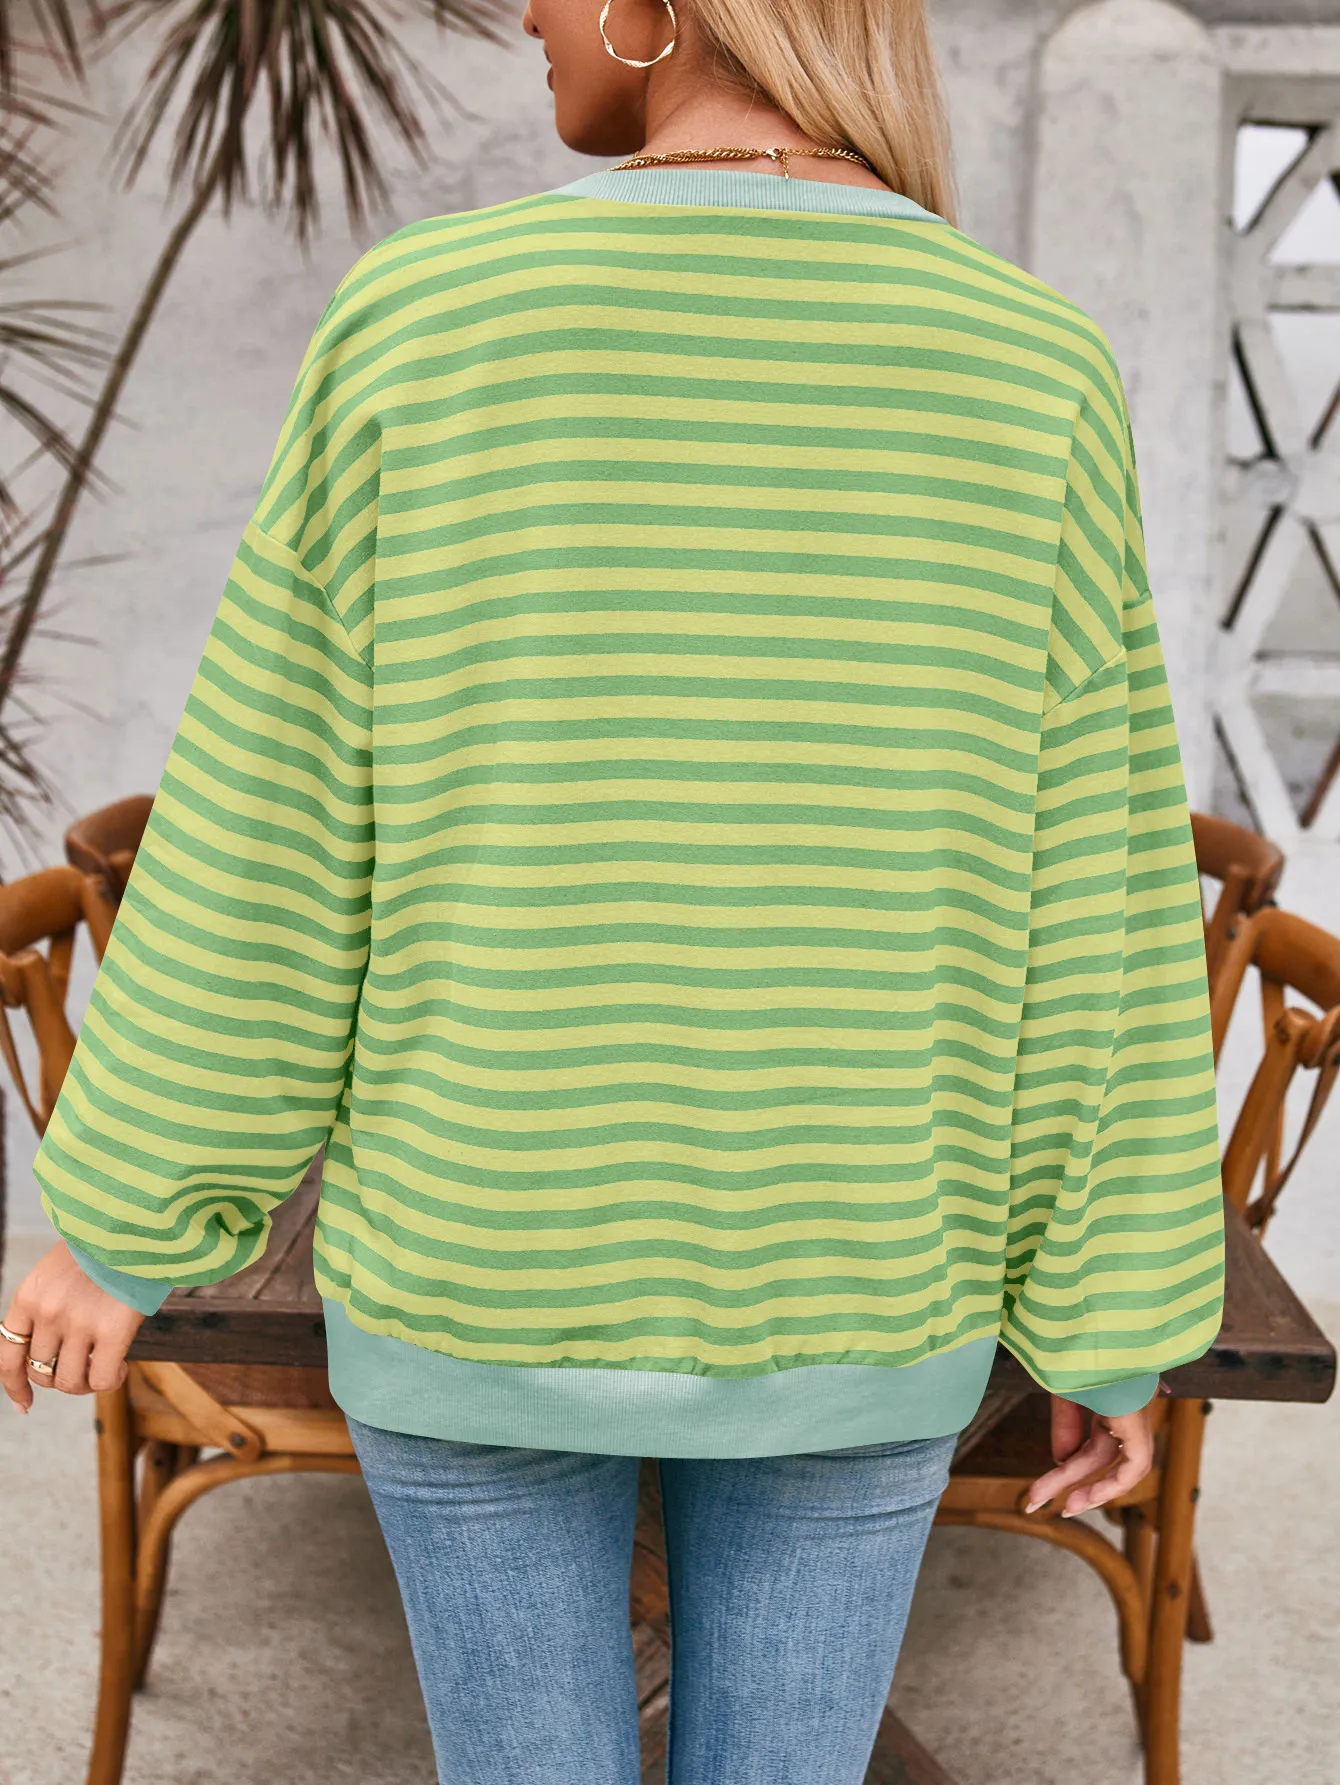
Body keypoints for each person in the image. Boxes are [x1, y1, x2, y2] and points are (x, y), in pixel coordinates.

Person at [1, 0, 1225, 1778]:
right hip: (869, 1264)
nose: (527, 11)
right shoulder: (1031, 364)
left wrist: (126, 1217)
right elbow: (1096, 895)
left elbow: (271, 827)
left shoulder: (426, 321)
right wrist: (1109, 1319)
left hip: (477, 1256)